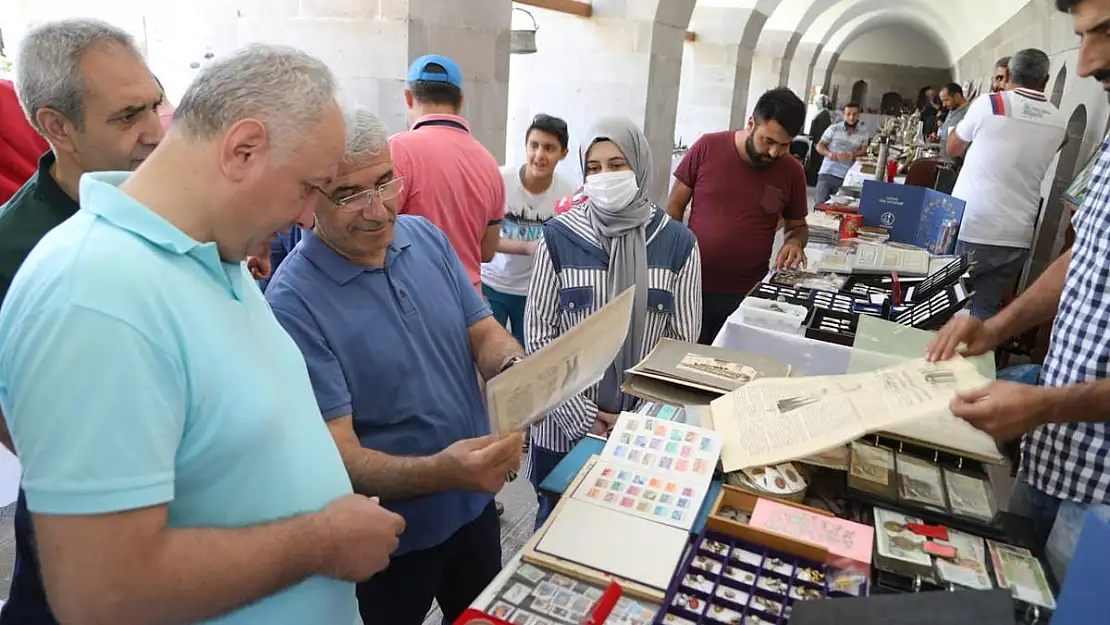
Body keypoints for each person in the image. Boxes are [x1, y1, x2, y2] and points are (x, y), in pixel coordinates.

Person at [0, 43, 406, 625]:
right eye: (308, 187)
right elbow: (102, 594)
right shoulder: (95, 292)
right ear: (242, 151)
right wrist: (321, 542)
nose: (302, 217)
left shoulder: (216, 256)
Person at [266, 104, 525, 625]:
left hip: (474, 511)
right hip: (388, 542)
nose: (378, 209)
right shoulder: (293, 302)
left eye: (385, 182)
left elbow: (481, 331)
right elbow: (338, 454)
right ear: (307, 199)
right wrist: (441, 472)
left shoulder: (425, 237)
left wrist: (515, 369)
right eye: (349, 194)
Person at [926, 0, 1110, 583]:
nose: (1084, 64)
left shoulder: (990, 105)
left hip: (1100, 485)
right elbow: (1083, 255)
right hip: (1055, 450)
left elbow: (955, 148)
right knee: (1011, 585)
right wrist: (994, 330)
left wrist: (1047, 403)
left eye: (1103, 33)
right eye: (1080, 38)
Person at [0, 20, 167, 625]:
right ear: (56, 127)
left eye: (156, 101)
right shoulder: (14, 246)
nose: (155, 131)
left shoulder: (170, 203)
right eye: (128, 117)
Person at [527, 117, 702, 528]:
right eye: (594, 167)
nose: (605, 176)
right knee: (554, 528)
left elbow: (682, 349)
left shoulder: (677, 244)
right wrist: (581, 416)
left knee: (625, 535)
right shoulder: (559, 237)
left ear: (640, 166)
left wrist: (637, 421)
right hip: (563, 429)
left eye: (617, 164)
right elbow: (538, 338)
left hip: (643, 435)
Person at [667, 87, 809, 345]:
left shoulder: (791, 171)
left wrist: (794, 242)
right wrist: (671, 266)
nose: (775, 153)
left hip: (746, 294)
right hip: (691, 287)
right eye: (768, 141)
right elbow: (674, 209)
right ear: (751, 123)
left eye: (785, 145)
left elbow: (797, 225)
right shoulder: (707, 147)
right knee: (684, 362)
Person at [946, 48, 1066, 321]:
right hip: (1016, 235)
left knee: (947, 308)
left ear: (1009, 74)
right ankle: (974, 363)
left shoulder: (991, 104)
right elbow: (1062, 142)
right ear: (1045, 80)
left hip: (974, 226)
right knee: (983, 312)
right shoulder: (1058, 120)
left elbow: (953, 148)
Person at [391, 54, 504, 293]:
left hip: (415, 302)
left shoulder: (397, 151)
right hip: (471, 307)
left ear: (408, 97)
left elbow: (374, 237)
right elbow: (486, 251)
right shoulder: (489, 163)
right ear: (461, 100)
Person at [482, 114, 574, 344]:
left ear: (563, 154)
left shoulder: (567, 194)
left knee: (527, 357)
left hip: (534, 291)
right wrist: (526, 247)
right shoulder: (499, 180)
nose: (539, 155)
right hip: (492, 283)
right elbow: (480, 237)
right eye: (534, 146)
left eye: (549, 148)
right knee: (487, 354)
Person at [814, 101, 869, 205]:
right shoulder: (833, 128)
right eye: (848, 114)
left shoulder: (864, 132)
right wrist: (828, 154)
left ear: (859, 116)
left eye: (854, 114)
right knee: (819, 205)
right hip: (828, 172)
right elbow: (819, 146)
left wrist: (852, 155)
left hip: (847, 176)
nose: (851, 117)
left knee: (838, 208)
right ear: (844, 115)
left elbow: (863, 151)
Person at [936, 82, 969, 162]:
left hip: (955, 165)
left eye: (946, 100)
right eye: (942, 101)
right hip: (944, 160)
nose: (943, 105)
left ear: (957, 96)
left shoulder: (968, 112)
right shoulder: (952, 109)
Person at [805, 95, 833, 186]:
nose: (817, 104)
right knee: (813, 161)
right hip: (815, 142)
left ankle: (813, 181)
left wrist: (817, 142)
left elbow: (822, 130)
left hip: (818, 143)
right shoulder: (820, 113)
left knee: (816, 162)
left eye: (818, 102)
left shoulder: (824, 114)